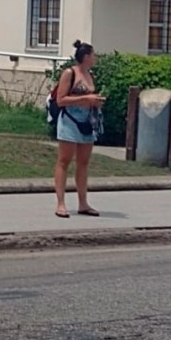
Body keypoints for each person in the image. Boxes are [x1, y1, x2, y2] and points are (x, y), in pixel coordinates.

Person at [53, 40, 105, 218]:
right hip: (70, 120)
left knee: (83, 162)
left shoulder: (91, 76)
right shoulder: (70, 73)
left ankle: (83, 203)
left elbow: (89, 98)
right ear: (86, 57)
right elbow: (61, 100)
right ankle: (60, 203)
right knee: (64, 161)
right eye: (93, 55)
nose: (95, 58)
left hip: (87, 122)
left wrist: (95, 103)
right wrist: (85, 99)